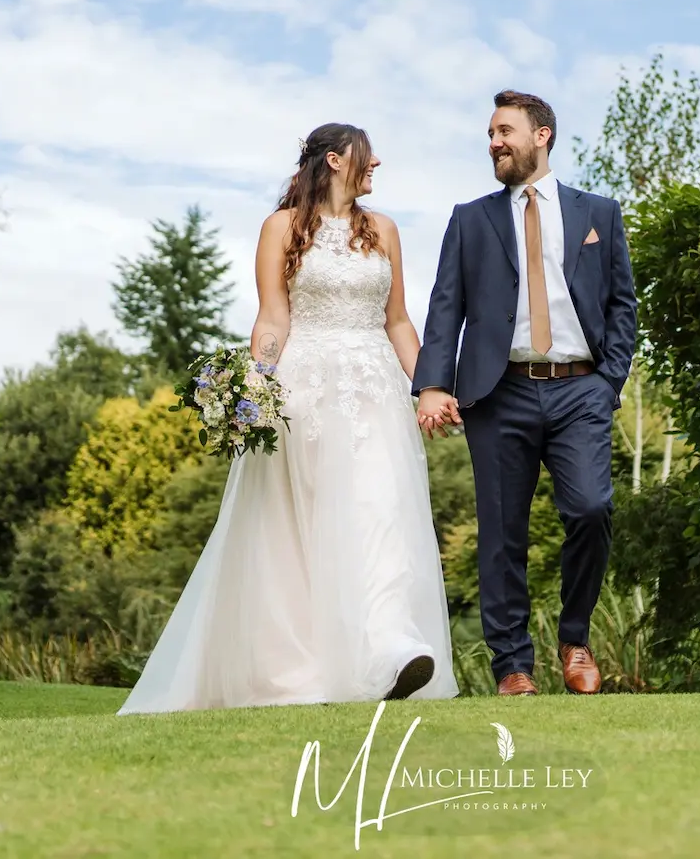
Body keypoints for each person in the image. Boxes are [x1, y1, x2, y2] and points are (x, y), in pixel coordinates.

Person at [120, 123, 457, 713]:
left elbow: (398, 320)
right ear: (334, 160)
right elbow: (274, 317)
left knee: (381, 512)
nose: (376, 162)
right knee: (297, 529)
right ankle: (293, 671)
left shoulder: (385, 230)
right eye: (365, 155)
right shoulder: (281, 228)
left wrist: (427, 386)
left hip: (375, 392)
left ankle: (392, 651)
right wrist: (257, 381)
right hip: (304, 392)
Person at [414, 90, 638, 696]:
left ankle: (575, 636)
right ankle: (512, 664)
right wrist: (433, 384)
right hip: (499, 393)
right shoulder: (470, 219)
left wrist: (608, 382)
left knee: (592, 508)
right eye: (490, 133)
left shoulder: (600, 214)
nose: (494, 142)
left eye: (505, 130)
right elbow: (445, 308)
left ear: (542, 135)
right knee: (501, 533)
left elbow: (623, 306)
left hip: (579, 391)